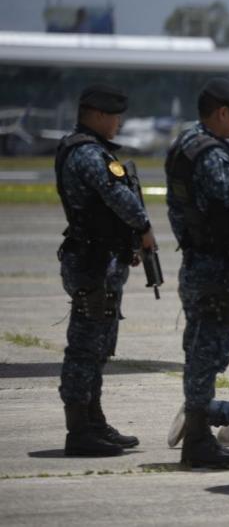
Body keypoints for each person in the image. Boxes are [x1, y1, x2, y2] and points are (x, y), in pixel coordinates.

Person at [54, 83, 156, 456]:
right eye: (114, 116)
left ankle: (94, 421)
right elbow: (118, 196)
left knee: (97, 346)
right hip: (91, 263)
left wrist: (125, 243)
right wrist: (143, 228)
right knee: (85, 347)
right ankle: (79, 431)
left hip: (99, 257)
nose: (118, 123)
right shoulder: (88, 153)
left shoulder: (85, 149)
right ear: (96, 115)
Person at [165, 78, 229, 468]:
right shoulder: (213, 155)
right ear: (221, 112)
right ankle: (198, 438)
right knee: (210, 351)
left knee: (198, 347)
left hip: (195, 259)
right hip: (217, 266)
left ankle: (198, 431)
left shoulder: (183, 145)